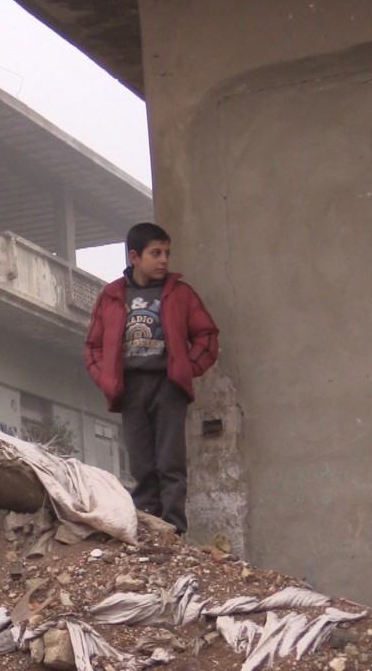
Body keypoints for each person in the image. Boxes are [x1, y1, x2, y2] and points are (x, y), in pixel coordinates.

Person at [84, 222, 219, 534]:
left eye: (166, 254)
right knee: (142, 466)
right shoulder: (111, 295)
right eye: (155, 253)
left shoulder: (180, 294)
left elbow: (207, 336)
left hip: (169, 386)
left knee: (170, 464)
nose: (163, 260)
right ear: (134, 256)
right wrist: (106, 379)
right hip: (130, 388)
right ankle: (147, 529)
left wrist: (188, 368)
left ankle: (173, 533)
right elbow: (93, 345)